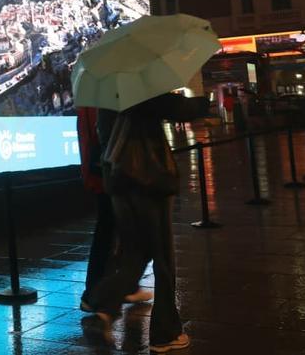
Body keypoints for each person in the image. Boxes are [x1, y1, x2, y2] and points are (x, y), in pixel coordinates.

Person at [84, 91, 208, 353]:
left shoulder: (107, 92)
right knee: (163, 259)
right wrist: (204, 101)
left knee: (134, 252)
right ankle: (165, 333)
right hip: (147, 178)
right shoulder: (140, 85)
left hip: (118, 180)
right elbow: (178, 108)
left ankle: (103, 309)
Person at [76, 106, 153, 313]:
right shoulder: (102, 99)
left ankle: (120, 287)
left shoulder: (94, 94)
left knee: (115, 231)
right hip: (110, 173)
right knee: (112, 232)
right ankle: (97, 294)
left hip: (105, 172)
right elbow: (99, 135)